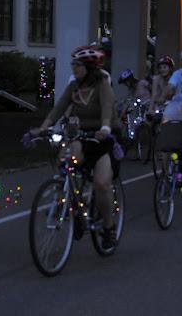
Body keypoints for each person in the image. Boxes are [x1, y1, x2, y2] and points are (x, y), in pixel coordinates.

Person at [31, 45, 120, 250]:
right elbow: (58, 109)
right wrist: (43, 128)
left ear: (89, 67)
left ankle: (108, 227)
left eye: (77, 65)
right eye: (73, 64)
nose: (73, 68)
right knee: (66, 157)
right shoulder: (74, 87)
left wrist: (105, 127)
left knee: (102, 184)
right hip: (82, 135)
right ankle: (66, 194)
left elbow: (107, 108)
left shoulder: (102, 85)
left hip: (104, 137)